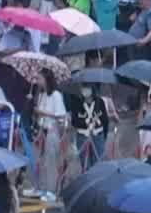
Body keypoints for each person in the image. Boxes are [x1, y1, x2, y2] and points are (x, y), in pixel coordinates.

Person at [34, 69, 68, 198]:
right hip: (41, 129)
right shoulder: (42, 94)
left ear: (47, 80)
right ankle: (41, 187)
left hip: (52, 130)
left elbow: (60, 114)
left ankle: (51, 190)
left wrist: (43, 113)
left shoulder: (56, 95)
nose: (38, 82)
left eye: (40, 79)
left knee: (51, 161)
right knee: (41, 160)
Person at [70, 82, 111, 170]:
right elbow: (74, 121)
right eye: (83, 87)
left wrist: (104, 136)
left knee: (98, 164)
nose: (84, 90)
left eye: (87, 87)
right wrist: (86, 122)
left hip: (98, 136)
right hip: (82, 136)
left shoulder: (100, 102)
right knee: (85, 165)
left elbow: (105, 121)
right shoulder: (76, 102)